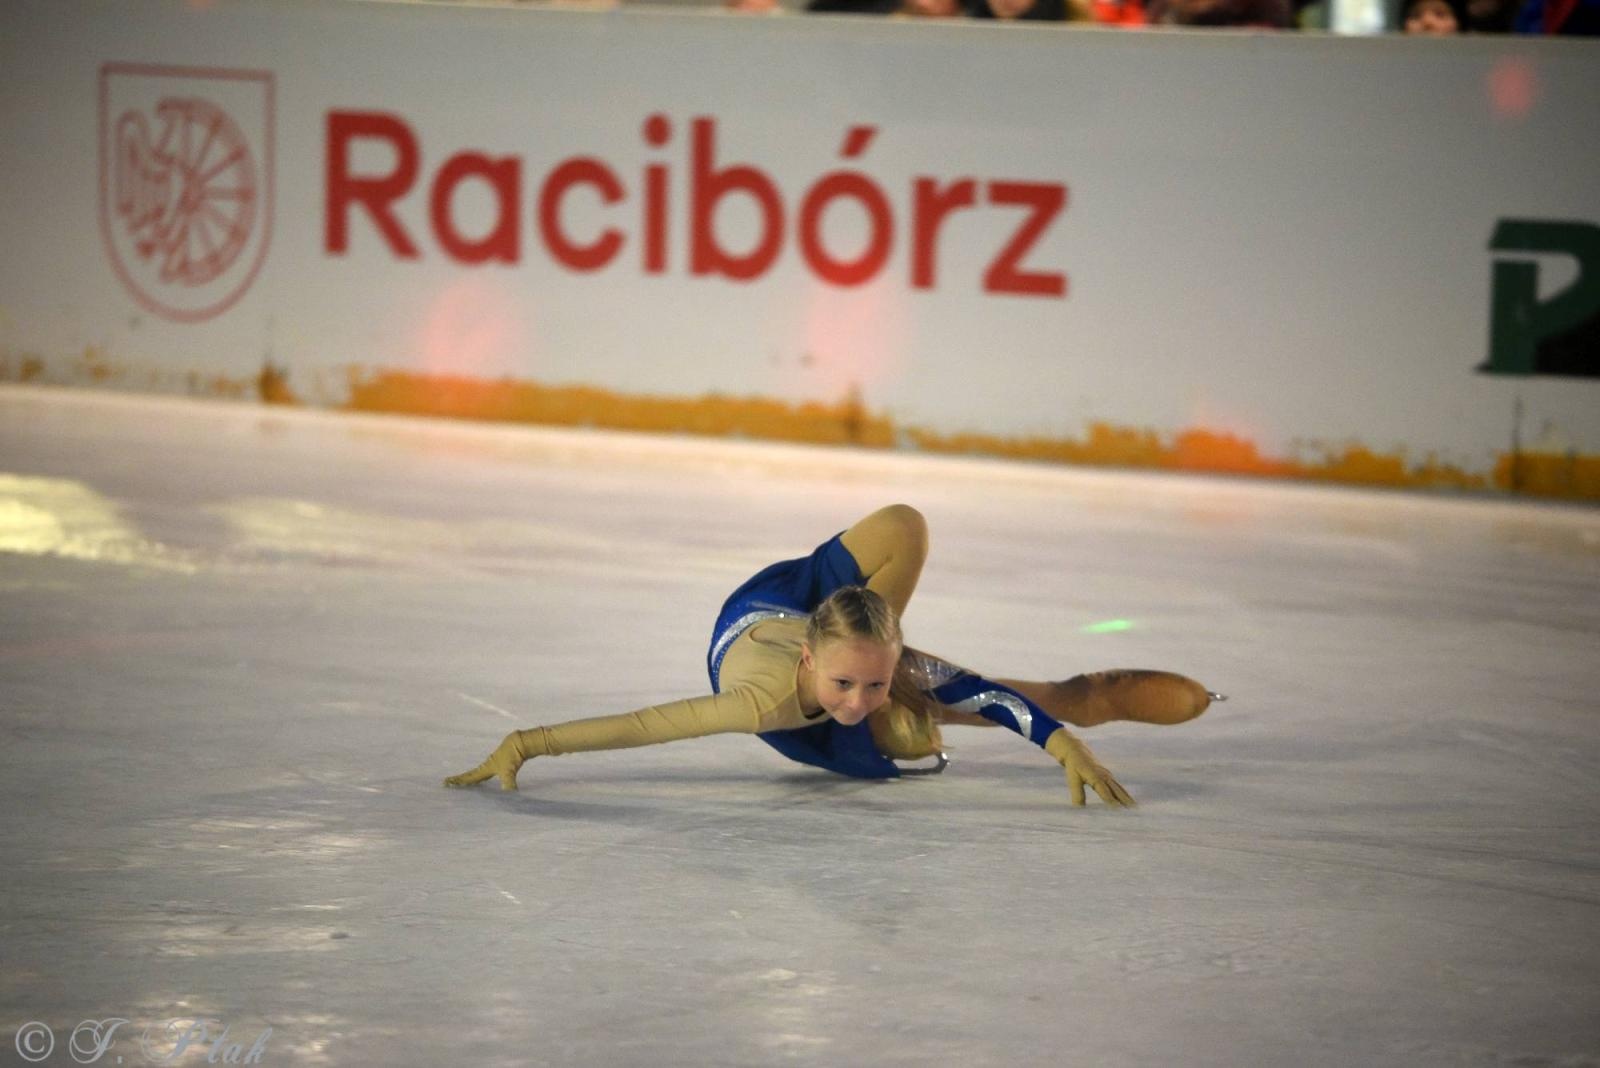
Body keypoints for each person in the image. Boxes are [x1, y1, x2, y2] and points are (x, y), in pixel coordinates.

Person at [445, 505, 1220, 806]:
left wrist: (1063, 735)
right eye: (849, 684)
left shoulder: (876, 673)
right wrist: (524, 743)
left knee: (907, 529)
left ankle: (1094, 695)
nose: (858, 698)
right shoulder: (765, 704)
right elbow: (646, 726)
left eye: (874, 685)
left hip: (822, 617)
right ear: (814, 659)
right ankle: (893, 717)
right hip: (767, 637)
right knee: (903, 728)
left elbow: (990, 694)